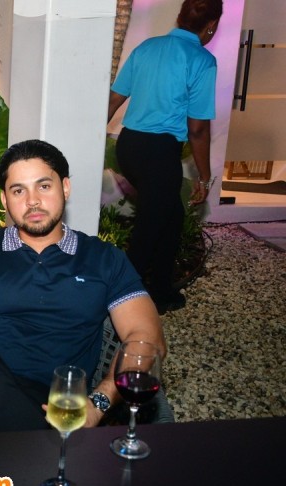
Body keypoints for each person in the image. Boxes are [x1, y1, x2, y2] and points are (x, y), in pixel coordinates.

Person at [0, 139, 165, 436]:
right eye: (18, 190)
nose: (32, 201)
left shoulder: (104, 259)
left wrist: (98, 403)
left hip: (61, 405)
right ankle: (52, 455)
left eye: (43, 186)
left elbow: (147, 338)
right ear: (5, 200)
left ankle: (35, 455)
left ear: (65, 188)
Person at [107, 0, 223, 314]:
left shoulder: (147, 48)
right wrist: (203, 176)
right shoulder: (202, 60)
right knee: (148, 231)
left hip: (129, 147)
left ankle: (159, 290)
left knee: (171, 219)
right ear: (211, 25)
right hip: (158, 154)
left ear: (179, 17)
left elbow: (114, 99)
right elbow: (197, 128)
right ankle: (117, 307)